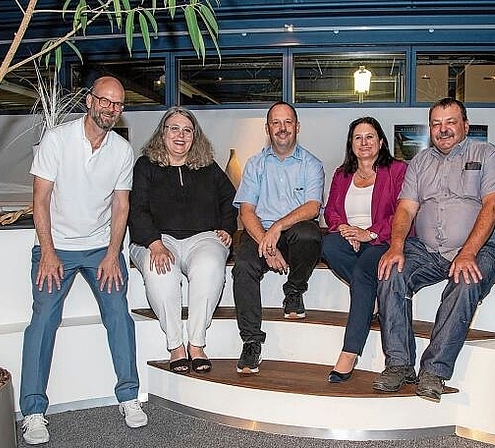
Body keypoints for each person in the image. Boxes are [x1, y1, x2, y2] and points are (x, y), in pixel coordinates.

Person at [19, 76, 147, 445]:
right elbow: (40, 200)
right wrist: (47, 252)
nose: (110, 108)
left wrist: (113, 254)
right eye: (105, 101)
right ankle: (33, 411)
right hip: (55, 246)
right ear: (90, 101)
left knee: (119, 314)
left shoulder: (122, 150)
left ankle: (128, 397)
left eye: (118, 104)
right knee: (42, 319)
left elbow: (121, 205)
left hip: (99, 249)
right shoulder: (57, 140)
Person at [374, 97, 495, 403]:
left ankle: (434, 371)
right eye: (436, 123)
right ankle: (399, 363)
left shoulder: (487, 154)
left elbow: (494, 205)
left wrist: (468, 251)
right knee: (389, 272)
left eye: (450, 122)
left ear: (465, 125)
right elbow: (406, 209)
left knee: (465, 280)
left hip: (478, 247)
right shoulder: (420, 162)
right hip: (426, 249)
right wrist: (396, 246)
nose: (443, 129)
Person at [128, 107, 237, 375]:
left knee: (210, 266)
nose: (181, 135)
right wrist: (155, 244)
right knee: (160, 271)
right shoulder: (145, 165)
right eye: (174, 128)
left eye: (187, 130)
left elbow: (230, 199)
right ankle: (176, 346)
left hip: (202, 237)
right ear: (162, 133)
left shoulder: (208, 167)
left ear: (195, 136)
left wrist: (226, 227)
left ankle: (196, 344)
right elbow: (136, 209)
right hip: (157, 238)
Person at [232, 101, 325, 374]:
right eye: (276, 122)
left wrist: (278, 228)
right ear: (267, 128)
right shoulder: (255, 164)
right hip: (260, 231)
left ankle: (294, 290)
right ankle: (251, 341)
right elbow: (247, 211)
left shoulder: (312, 164)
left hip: (293, 231)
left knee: (310, 235)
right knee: (243, 267)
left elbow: (312, 207)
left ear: (297, 127)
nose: (282, 128)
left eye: (287, 122)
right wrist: (266, 241)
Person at [322, 117, 407, 383]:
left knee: (361, 272)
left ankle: (349, 352)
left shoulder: (397, 170)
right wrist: (346, 230)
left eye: (370, 137)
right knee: (328, 245)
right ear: (351, 144)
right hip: (350, 239)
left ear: (381, 142)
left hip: (381, 240)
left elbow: (402, 213)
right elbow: (331, 210)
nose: (364, 143)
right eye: (358, 138)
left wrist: (367, 233)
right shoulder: (342, 173)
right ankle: (370, 297)